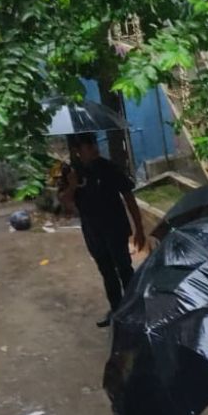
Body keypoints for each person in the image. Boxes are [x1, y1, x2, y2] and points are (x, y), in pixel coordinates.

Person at [57, 134, 147, 328]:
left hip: (115, 227)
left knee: (124, 268)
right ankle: (116, 310)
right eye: (87, 146)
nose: (93, 148)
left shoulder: (108, 168)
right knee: (107, 271)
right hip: (93, 231)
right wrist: (72, 185)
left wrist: (139, 228)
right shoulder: (72, 173)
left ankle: (133, 310)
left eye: (93, 144)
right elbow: (65, 203)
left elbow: (128, 196)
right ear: (77, 151)